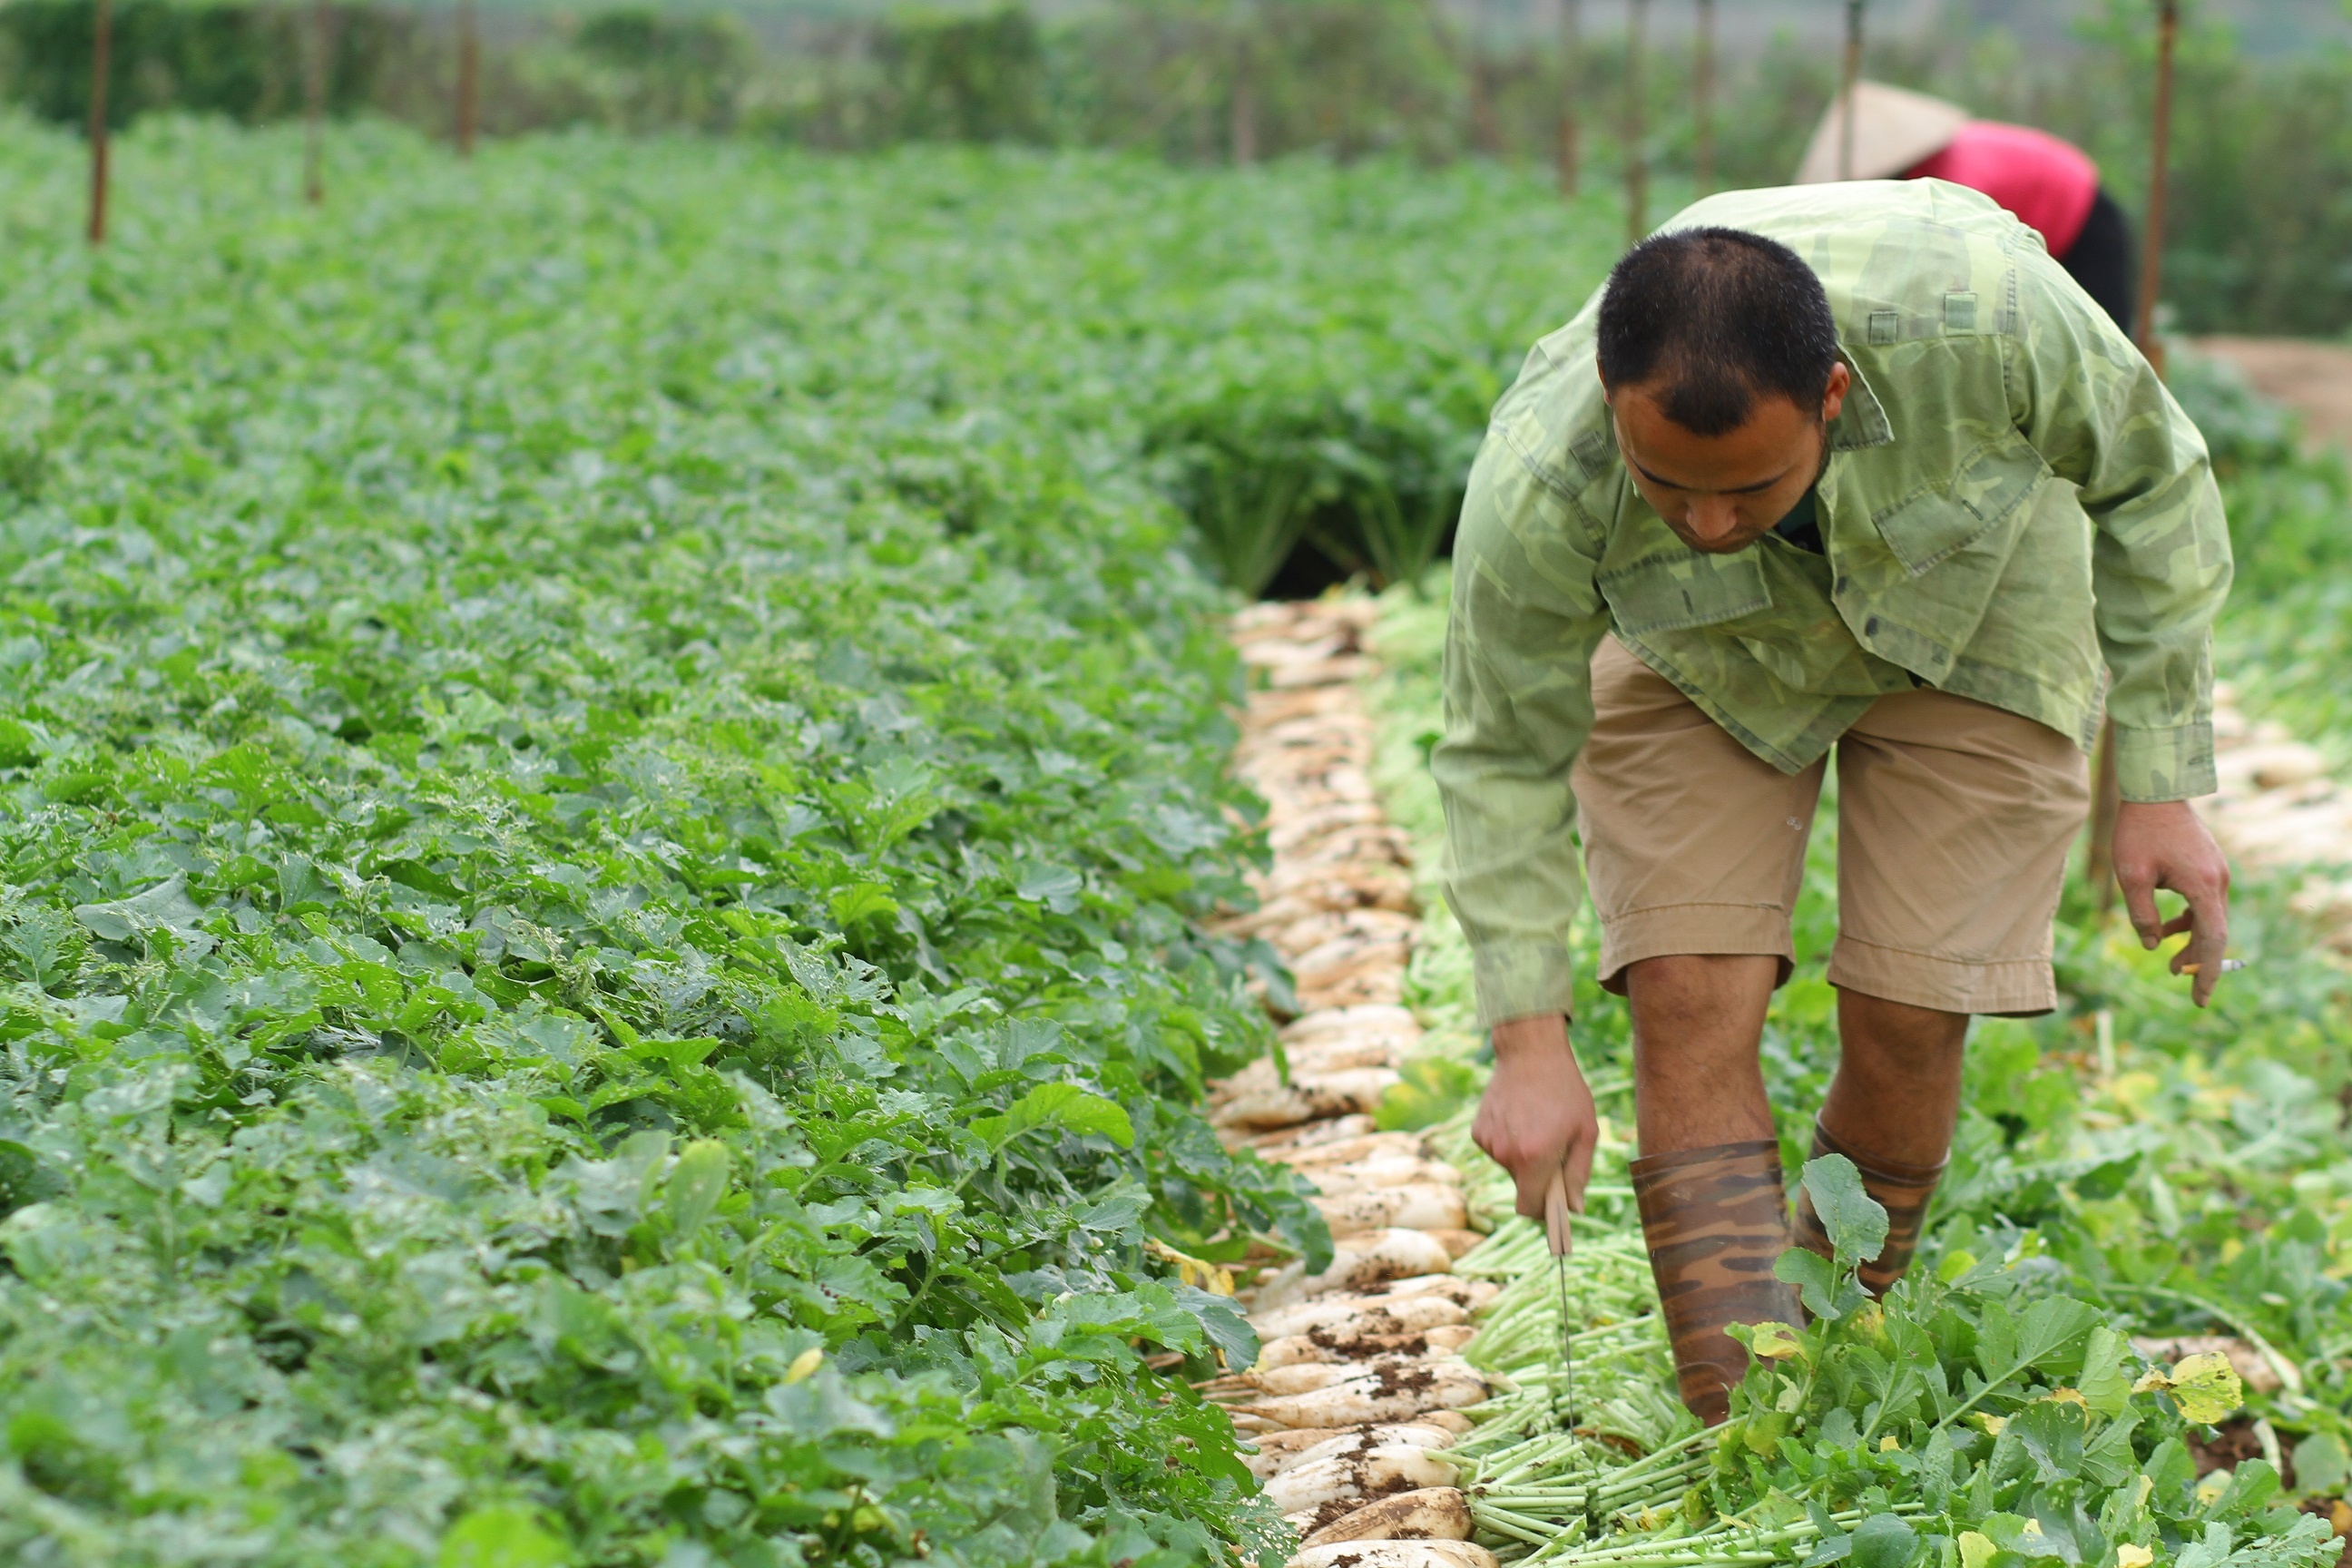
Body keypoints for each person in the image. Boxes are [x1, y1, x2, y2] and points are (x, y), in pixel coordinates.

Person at [1436, 181, 2231, 1426]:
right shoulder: (1545, 469)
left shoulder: (1995, 316)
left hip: (1976, 608)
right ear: (1609, 403)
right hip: (1696, 651)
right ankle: (1740, 1415)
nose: (1708, 521)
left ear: (1834, 399)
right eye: (1668, 484)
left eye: (1748, 488)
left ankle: (1827, 1360)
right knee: (1686, 990)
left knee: (1913, 1011)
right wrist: (1528, 1045)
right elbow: (1498, 748)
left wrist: (2163, 785)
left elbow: (2154, 479)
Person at [1794, 82, 2138, 332]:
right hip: (2040, 230)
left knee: (2104, 334)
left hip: (2082, 217)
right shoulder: (1911, 183)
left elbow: (1959, 264)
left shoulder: (1951, 179)